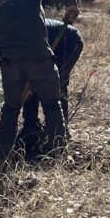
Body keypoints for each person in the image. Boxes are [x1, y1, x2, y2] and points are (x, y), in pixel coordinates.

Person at [0, 0, 79, 160]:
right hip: (41, 61)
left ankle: (4, 157)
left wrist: (14, 70)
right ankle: (58, 155)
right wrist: (69, 3)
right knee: (52, 105)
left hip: (10, 66)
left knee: (10, 110)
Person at [20, 15, 84, 155]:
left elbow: (36, 65)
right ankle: (31, 126)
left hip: (68, 40)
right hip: (48, 44)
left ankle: (61, 132)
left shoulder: (24, 36)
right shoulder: (15, 40)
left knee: (56, 84)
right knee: (33, 83)